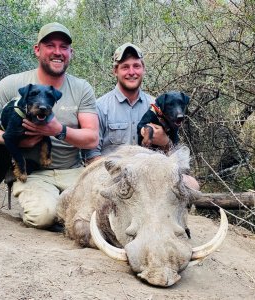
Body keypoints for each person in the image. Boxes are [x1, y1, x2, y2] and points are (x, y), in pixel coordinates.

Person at [0, 22, 99, 229]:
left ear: (71, 53)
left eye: (64, 47)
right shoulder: (12, 83)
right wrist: (11, 139)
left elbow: (92, 138)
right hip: (34, 174)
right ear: (37, 50)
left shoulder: (82, 88)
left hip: (72, 170)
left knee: (99, 211)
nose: (58, 52)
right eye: (50, 45)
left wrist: (58, 130)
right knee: (43, 216)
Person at [83, 42, 199, 190]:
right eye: (125, 67)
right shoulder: (99, 107)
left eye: (136, 66)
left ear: (143, 69)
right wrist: (116, 176)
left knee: (193, 185)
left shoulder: (157, 106)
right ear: (115, 71)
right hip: (113, 179)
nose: (131, 72)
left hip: (150, 179)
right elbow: (92, 157)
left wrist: (165, 142)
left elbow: (174, 157)